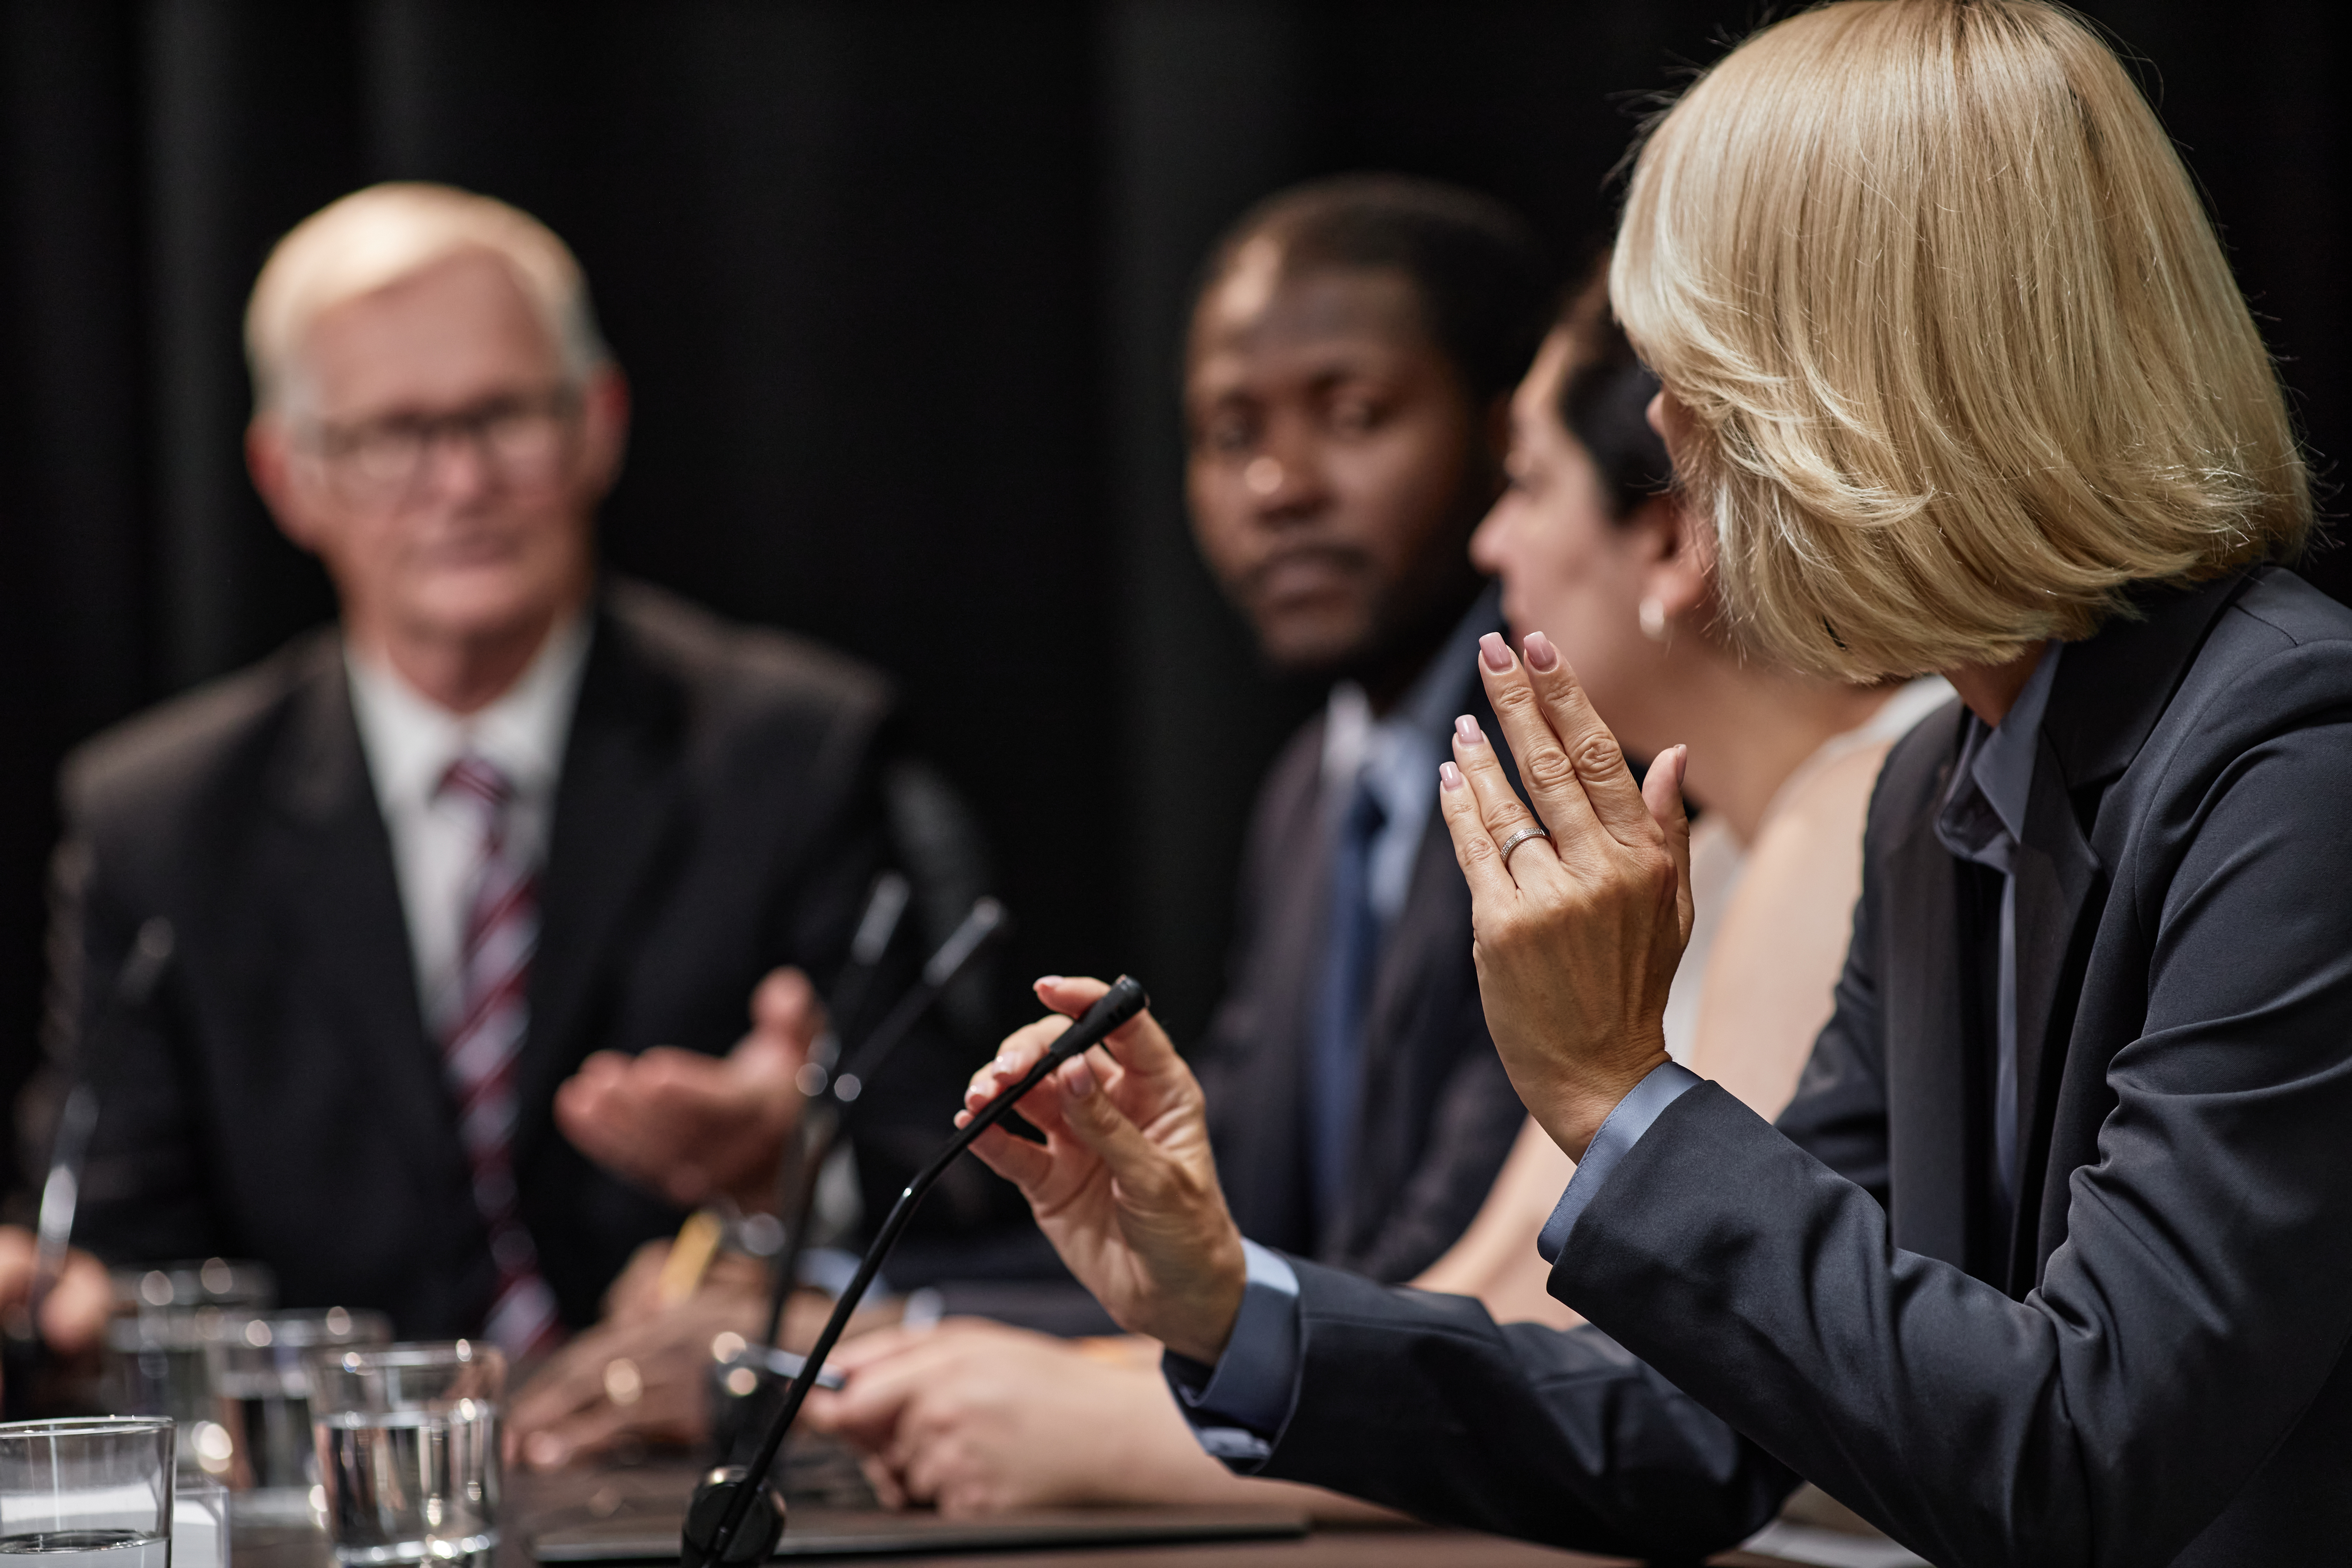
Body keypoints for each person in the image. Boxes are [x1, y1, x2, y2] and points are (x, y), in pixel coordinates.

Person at [943, 3, 2352, 1562]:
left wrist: (1620, 1089)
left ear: (1884, 380)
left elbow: (2087, 1450)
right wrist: (1225, 1299)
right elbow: (1722, 1418)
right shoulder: (1938, 791)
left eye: (1699, 368)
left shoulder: (2296, 763)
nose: (1665, 432)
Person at [810, 260, 1948, 1505]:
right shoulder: (1732, 842)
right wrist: (1202, 1326)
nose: (1489, 540)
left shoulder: (1853, 808)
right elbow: (1506, 1299)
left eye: (1521, 483)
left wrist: (1107, 1419)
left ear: (1671, 530)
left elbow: (1700, 1420)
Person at [505, 173, 1552, 1467]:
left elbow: (1414, 1274)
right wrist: (822, 1286)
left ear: (1513, 432)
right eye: (1229, 434)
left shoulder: (1558, 771)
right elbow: (1240, 1222)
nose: (1278, 485)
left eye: (1356, 414)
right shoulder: (1316, 788)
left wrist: (818, 1348)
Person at [30, 183, 980, 1352]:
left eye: (502, 417)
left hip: (692, 1475)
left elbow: (954, 1181)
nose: (462, 484)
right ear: (288, 476)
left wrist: (786, 1169)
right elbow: (119, 1244)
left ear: (600, 422)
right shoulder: (158, 821)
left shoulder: (796, 752)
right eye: (393, 436)